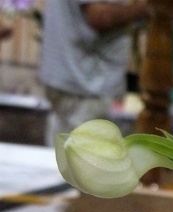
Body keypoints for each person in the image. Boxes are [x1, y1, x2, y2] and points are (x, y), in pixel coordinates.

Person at [39, 0, 150, 145]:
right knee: (86, 160)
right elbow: (99, 15)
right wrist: (142, 9)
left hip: (72, 76)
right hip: (86, 83)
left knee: (63, 153)